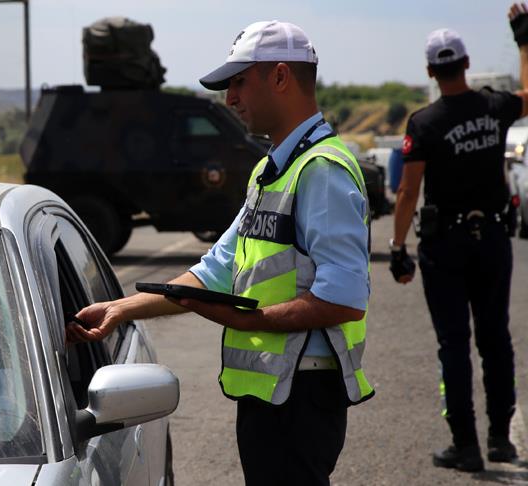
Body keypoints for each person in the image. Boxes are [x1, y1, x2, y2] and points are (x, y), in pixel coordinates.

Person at [67, 20, 373, 486]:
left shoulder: (322, 170)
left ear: (281, 76)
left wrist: (250, 320)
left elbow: (344, 297)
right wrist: (121, 308)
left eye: (238, 82)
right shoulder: (271, 170)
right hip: (275, 395)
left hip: (302, 396)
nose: (230, 98)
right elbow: (215, 271)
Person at [389, 9, 528, 471]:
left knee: (454, 344)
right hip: (490, 237)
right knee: (495, 341)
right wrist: (524, 41)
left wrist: (397, 248)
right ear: (466, 64)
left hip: (443, 244)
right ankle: (501, 440)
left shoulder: (424, 123)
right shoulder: (494, 107)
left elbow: (408, 190)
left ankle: (466, 445)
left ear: (430, 71)